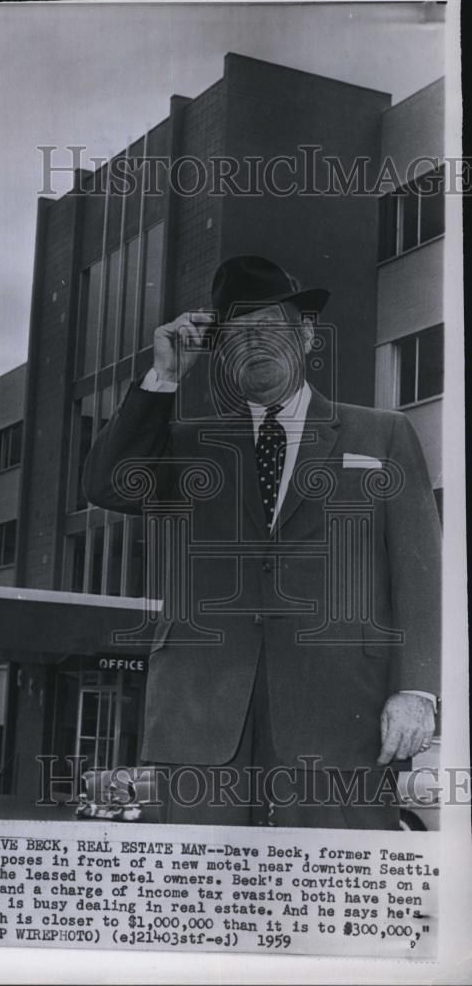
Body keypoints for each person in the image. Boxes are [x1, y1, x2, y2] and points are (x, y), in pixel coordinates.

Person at [82, 255, 440, 830]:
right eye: (237, 332)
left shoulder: (384, 435)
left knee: (335, 879)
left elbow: (421, 575)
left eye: (269, 325)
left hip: (342, 716)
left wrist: (418, 689)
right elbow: (106, 484)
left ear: (305, 334)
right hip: (201, 713)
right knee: (199, 881)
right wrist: (165, 376)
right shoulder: (187, 445)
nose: (254, 342)